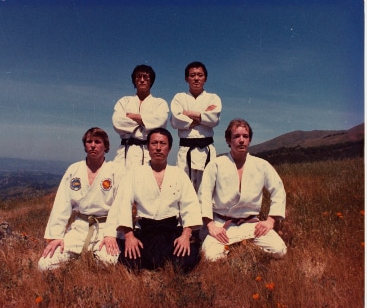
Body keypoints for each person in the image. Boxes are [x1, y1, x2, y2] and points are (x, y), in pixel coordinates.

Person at [102, 127, 203, 273]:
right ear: (148, 147)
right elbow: (123, 204)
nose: (158, 148)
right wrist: (129, 236)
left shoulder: (179, 174)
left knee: (184, 262)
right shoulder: (135, 174)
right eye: (154, 143)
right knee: (130, 262)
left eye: (163, 144)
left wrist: (185, 235)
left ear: (169, 148)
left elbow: (190, 205)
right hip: (145, 230)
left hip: (171, 231)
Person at [199, 118, 287, 261]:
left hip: (251, 224)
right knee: (211, 257)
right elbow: (204, 195)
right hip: (222, 225)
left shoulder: (261, 165)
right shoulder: (216, 164)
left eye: (245, 136)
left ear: (249, 140)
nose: (241, 140)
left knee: (279, 250)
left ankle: (243, 245)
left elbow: (278, 190)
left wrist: (270, 221)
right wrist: (211, 225)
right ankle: (239, 248)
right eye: (236, 136)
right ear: (228, 140)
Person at [38, 127, 125, 271]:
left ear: (105, 146)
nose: (92, 145)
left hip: (105, 228)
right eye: (89, 141)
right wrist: (56, 236)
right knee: (45, 264)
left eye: (97, 142)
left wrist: (111, 234)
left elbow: (119, 205)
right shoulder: (74, 169)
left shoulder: (116, 170)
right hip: (80, 227)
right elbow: (62, 203)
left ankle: (86, 262)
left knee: (109, 263)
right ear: (85, 145)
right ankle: (74, 260)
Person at [170, 61, 222, 192]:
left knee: (207, 191)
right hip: (185, 150)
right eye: (192, 75)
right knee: (183, 190)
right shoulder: (179, 97)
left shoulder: (213, 98)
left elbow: (214, 119)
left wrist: (188, 113)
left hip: (207, 150)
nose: (196, 78)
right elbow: (175, 120)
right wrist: (203, 116)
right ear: (186, 78)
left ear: (205, 78)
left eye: (200, 75)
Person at [112, 64, 169, 170]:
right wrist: (147, 121)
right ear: (134, 80)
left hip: (147, 151)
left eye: (146, 77)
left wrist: (134, 117)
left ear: (151, 81)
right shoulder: (124, 101)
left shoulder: (160, 103)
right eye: (138, 77)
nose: (142, 80)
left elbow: (160, 122)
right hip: (125, 151)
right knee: (122, 184)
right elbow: (117, 122)